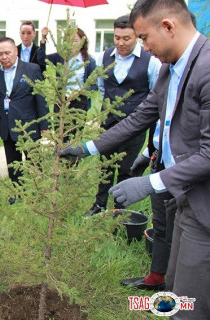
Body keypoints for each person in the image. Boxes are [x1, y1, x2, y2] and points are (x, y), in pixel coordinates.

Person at [60, 0, 210, 316]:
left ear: (168, 26)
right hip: (182, 194)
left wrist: (150, 183)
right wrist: (87, 148)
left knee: (192, 300)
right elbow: (140, 118)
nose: (142, 46)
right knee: (175, 282)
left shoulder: (207, 69)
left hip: (203, 201)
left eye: (143, 37)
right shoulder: (173, 66)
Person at [82, 15, 161, 217]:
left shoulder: (149, 61)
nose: (120, 43)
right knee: (105, 166)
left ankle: (120, 210)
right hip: (108, 123)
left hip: (134, 126)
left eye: (126, 38)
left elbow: (155, 93)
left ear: (136, 36)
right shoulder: (105, 57)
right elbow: (101, 87)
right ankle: (99, 205)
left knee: (126, 168)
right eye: (117, 37)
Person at [121, 122, 176, 290]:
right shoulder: (163, 94)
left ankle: (174, 291)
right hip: (160, 162)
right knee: (161, 224)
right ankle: (157, 277)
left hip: (187, 168)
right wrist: (148, 153)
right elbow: (162, 125)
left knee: (181, 233)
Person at [0, 37, 48, 188]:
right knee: (13, 164)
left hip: (28, 126)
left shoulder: (32, 69)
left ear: (16, 51)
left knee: (34, 162)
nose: (4, 57)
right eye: (0, 54)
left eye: (7, 52)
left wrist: (44, 124)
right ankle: (17, 192)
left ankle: (38, 191)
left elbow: (41, 98)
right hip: (7, 127)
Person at [37, 27, 97, 112]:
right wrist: (43, 39)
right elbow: (42, 59)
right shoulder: (61, 57)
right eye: (70, 41)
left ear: (82, 43)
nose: (72, 44)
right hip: (60, 102)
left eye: (76, 41)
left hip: (79, 103)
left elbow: (94, 86)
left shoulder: (89, 61)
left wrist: (80, 92)